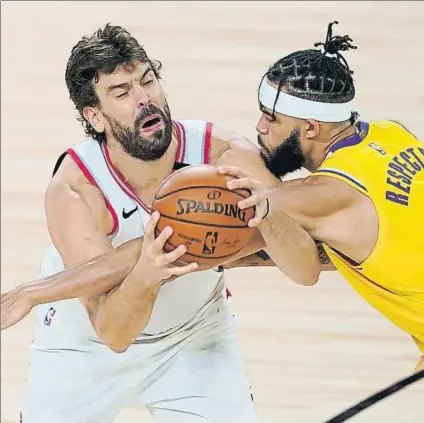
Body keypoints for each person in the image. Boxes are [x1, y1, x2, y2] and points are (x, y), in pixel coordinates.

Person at [4, 23, 287, 423]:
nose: (144, 100)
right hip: (85, 346)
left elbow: (303, 242)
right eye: (122, 92)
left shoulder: (222, 156)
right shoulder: (76, 189)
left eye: (148, 81)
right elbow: (113, 333)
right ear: (95, 117)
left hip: (194, 335)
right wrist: (147, 274)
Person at [216, 22, 424, 372]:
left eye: (270, 118)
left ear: (311, 128)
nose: (259, 128)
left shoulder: (319, 195)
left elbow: (241, 240)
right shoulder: (393, 135)